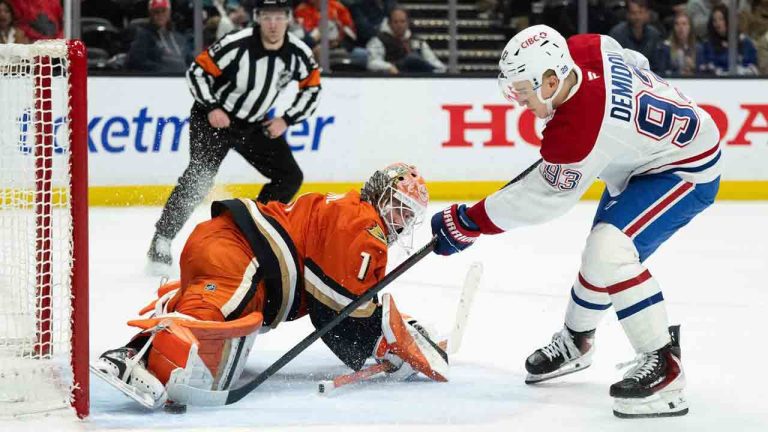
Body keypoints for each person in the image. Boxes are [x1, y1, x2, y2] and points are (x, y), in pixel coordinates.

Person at [431, 25, 721, 418]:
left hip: (686, 169)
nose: (519, 101)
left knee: (609, 250)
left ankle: (665, 368)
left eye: (523, 91)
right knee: (598, 255)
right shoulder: (584, 48)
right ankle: (577, 341)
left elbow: (542, 199)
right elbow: (633, 61)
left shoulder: (579, 132)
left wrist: (469, 220)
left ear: (551, 80)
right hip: (645, 159)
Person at [94, 163, 447, 407]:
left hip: (238, 251)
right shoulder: (362, 226)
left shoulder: (355, 214)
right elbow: (337, 314)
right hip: (239, 250)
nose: (402, 222)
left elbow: (348, 305)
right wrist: (387, 342)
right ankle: (130, 357)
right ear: (380, 194)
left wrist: (395, 330)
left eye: (409, 216)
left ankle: (141, 352)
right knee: (206, 317)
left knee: (217, 321)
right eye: (400, 209)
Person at [147, 0, 321, 275]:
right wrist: (213, 106)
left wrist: (286, 119)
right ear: (257, 18)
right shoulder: (237, 42)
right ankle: (162, 239)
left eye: (278, 17)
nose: (273, 24)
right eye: (267, 17)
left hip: (253, 124)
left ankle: (251, 235)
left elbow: (312, 88)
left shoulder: (297, 52)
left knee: (289, 177)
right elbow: (197, 72)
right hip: (213, 119)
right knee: (200, 176)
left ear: (288, 19)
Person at [366, 7, 446, 74]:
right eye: (396, 22)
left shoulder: (418, 41)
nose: (399, 25)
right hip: (392, 78)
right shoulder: (378, 40)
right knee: (411, 59)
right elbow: (372, 63)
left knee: (414, 59)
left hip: (418, 79)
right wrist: (389, 67)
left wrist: (437, 71)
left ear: (407, 23)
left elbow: (434, 62)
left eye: (402, 21)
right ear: (389, 23)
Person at [126, 0, 193, 73]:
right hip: (159, 79)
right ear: (150, 14)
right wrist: (164, 70)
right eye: (156, 12)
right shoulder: (144, 36)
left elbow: (190, 60)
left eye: (163, 11)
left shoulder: (179, 38)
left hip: (182, 79)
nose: (160, 14)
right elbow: (136, 61)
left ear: (169, 13)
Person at [697, 4, 758, 75]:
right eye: (714, 20)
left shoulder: (745, 41)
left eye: (721, 19)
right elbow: (708, 70)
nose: (717, 23)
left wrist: (742, 72)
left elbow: (753, 67)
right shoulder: (708, 45)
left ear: (728, 20)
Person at [608, 0, 664, 71]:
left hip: (649, 77)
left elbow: (658, 64)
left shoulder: (654, 34)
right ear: (627, 14)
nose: (637, 17)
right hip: (625, 76)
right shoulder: (617, 33)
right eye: (633, 13)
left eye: (640, 12)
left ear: (647, 14)